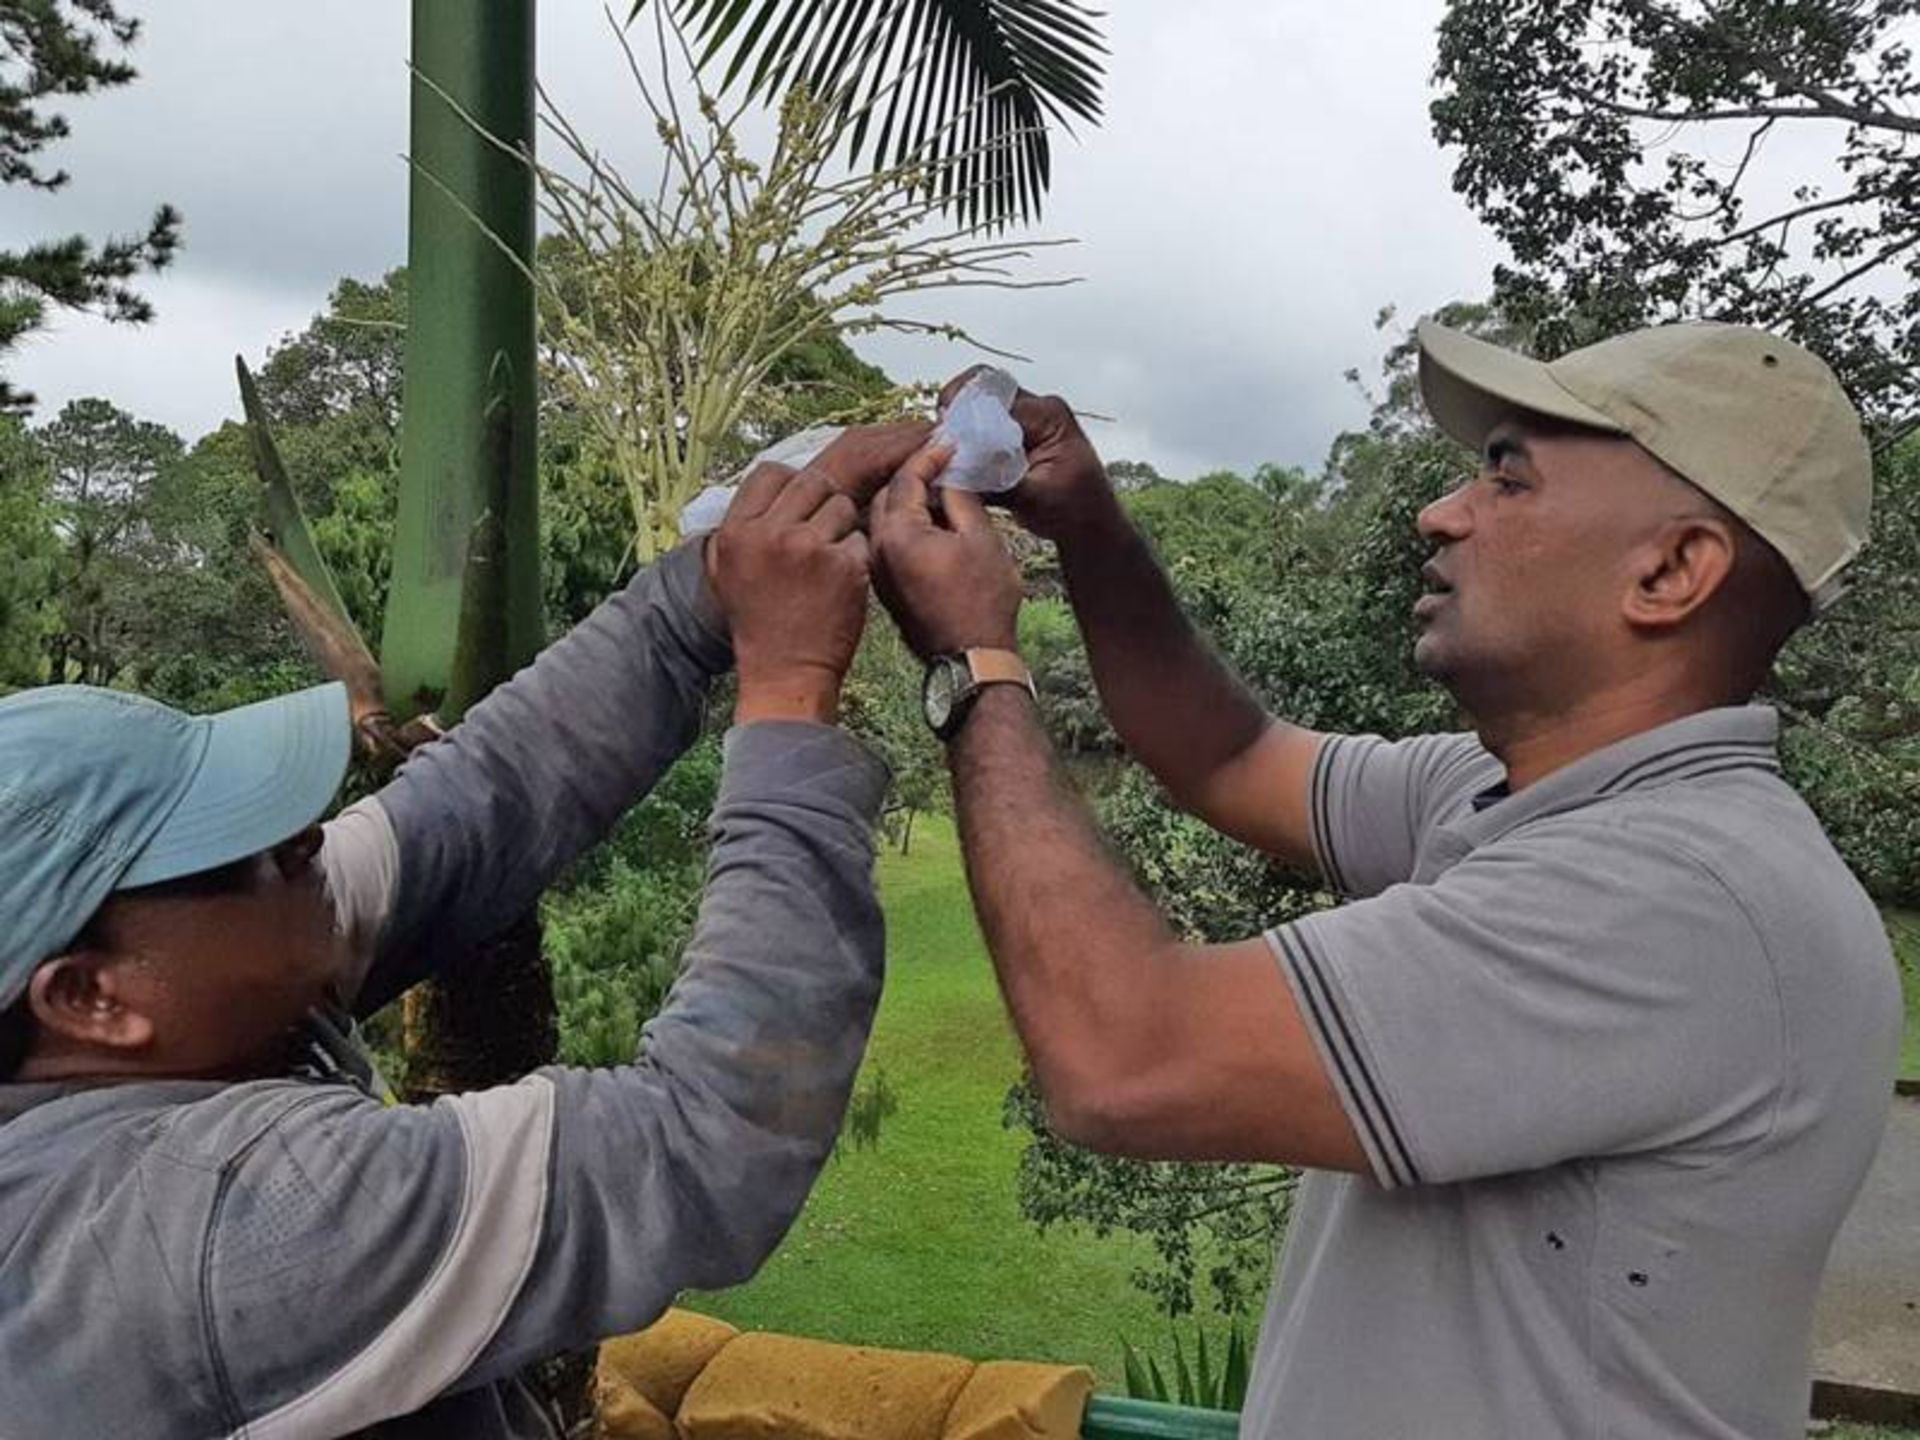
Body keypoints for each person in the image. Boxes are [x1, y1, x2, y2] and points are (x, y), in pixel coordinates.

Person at [869, 324, 1901, 1439]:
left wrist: (976, 664)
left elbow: (1121, 1058)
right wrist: (1092, 530)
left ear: (1669, 571)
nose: (1442, 511)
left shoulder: (1677, 898)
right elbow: (1228, 755)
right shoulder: (1518, 799)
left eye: (1508, 475)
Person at [0, 426, 925, 1439]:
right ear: (90, 996)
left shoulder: (165, 1006)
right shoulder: (210, 1222)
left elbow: (484, 797)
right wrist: (789, 696)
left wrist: (704, 592)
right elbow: (710, 1138)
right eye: (243, 850)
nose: (305, 837)